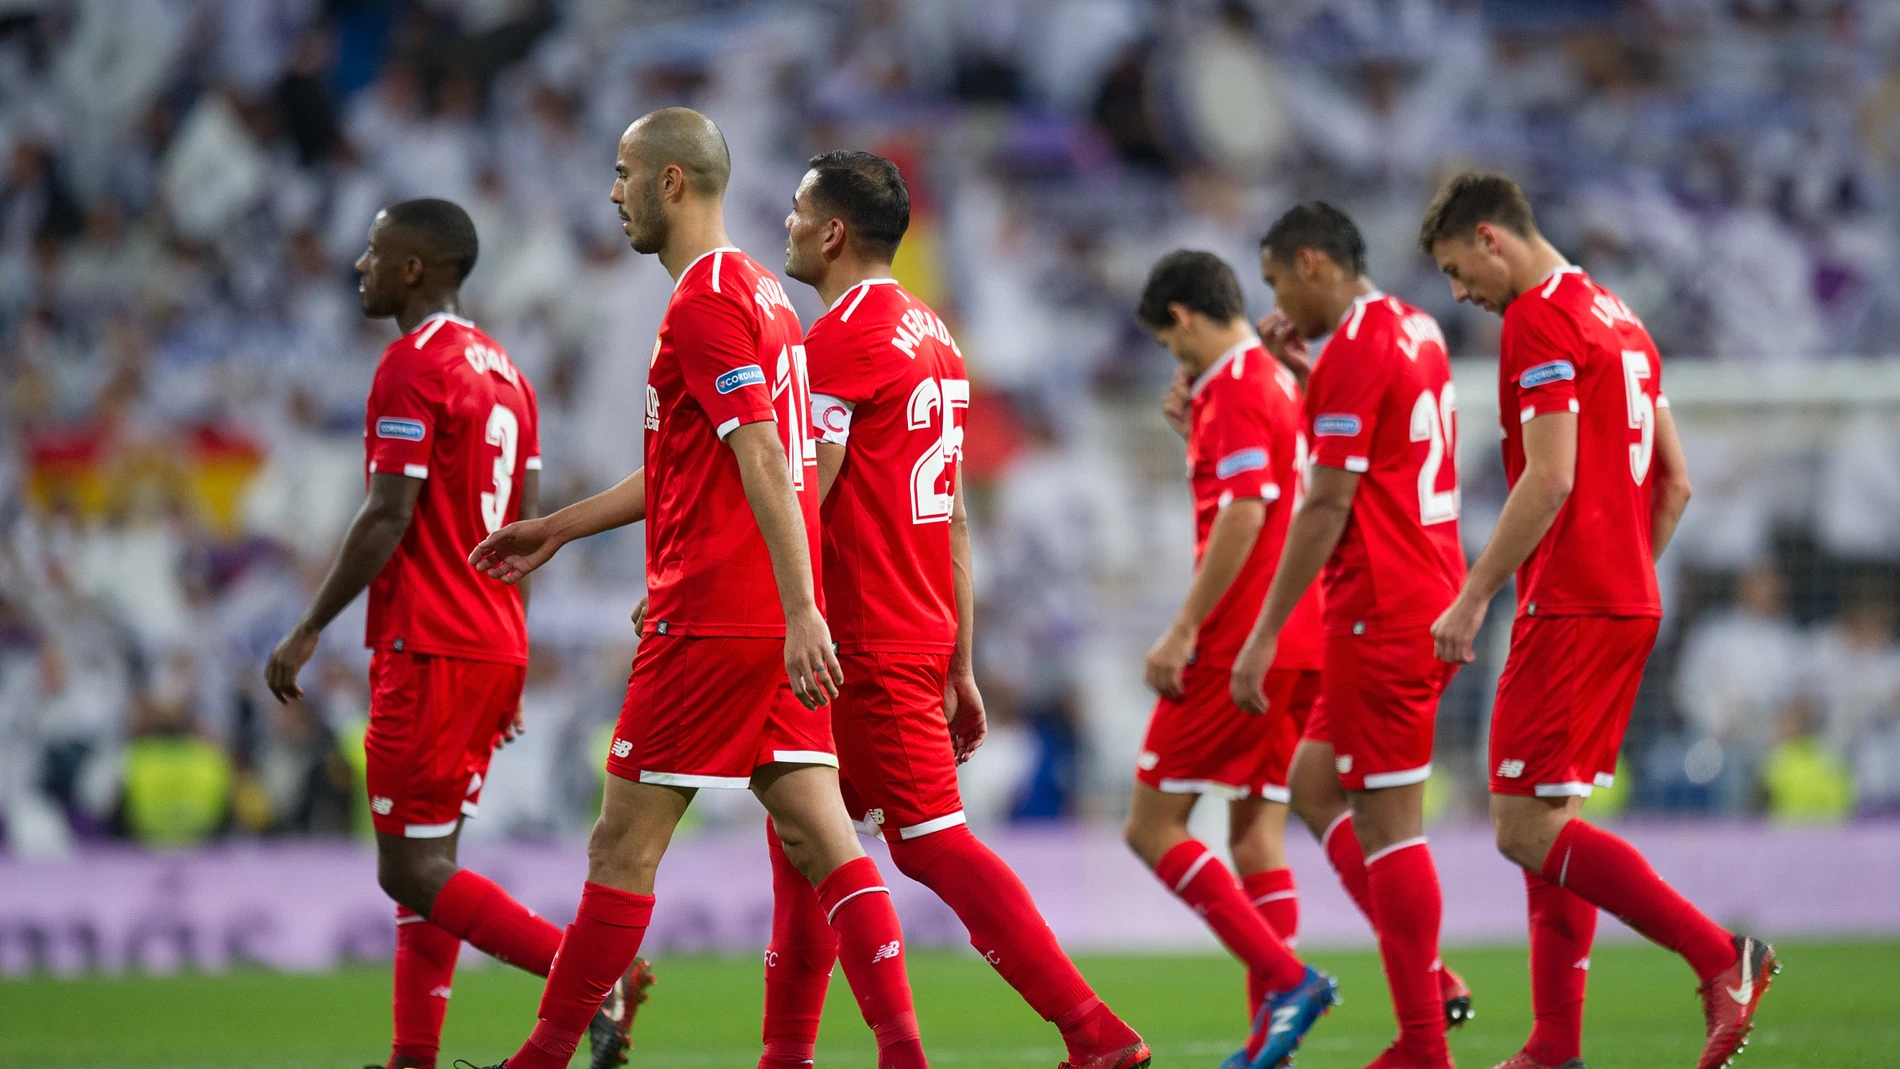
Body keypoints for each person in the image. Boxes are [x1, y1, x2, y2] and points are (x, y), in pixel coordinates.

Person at [464, 109, 927, 1069]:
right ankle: (904, 1054)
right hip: (761, 616)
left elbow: (764, 453)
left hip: (717, 617)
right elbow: (707, 464)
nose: (612, 190)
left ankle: (539, 1059)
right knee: (825, 840)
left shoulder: (704, 303)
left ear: (672, 183)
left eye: (624, 170)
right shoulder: (766, 294)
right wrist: (559, 525)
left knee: (620, 848)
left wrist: (800, 606)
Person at [762, 148, 1149, 1069]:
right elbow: (958, 519)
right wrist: (962, 659)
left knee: (932, 844)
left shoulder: (841, 340)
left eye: (794, 208)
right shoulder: (935, 335)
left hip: (861, 637)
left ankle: (1094, 1030)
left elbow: (808, 494)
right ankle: (785, 1053)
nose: (783, 223)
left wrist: (760, 601)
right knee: (802, 832)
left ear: (833, 230)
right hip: (916, 623)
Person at [263, 198, 649, 1069]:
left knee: (409, 869)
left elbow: (385, 515)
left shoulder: (412, 365)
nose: (359, 264)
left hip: (429, 640)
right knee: (429, 857)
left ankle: (593, 977)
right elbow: (525, 520)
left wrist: (308, 625)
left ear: (413, 269)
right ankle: (412, 1056)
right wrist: (506, 655)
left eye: (374, 251)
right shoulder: (507, 369)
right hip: (486, 640)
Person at [1420, 171, 1776, 1069]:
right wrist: (1624, 575)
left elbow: (1548, 478)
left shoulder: (1540, 317)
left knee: (1520, 828)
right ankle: (1554, 1045)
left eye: (1459, 270)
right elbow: (1677, 479)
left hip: (1571, 600)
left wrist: (1474, 594)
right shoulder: (1619, 315)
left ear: (1491, 238)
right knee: (1552, 820)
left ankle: (1718, 955)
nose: (1461, 292)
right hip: (1627, 597)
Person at [1231, 202, 1465, 1069]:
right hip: (1420, 584)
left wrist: (1262, 634)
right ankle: (1429, 980)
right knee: (1315, 783)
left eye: (1277, 278)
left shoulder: (1358, 351)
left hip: (1384, 605)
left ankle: (1421, 1043)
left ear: (1312, 262)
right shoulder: (1412, 326)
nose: (1279, 299)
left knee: (1391, 823)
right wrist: (1306, 374)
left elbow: (1326, 502)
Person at [1128, 249, 1340, 1069]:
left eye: (1169, 342)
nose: (1174, 362)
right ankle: (1273, 1041)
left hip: (1238, 641)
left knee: (1152, 826)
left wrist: (1183, 628)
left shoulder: (1237, 387)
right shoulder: (1278, 384)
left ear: (1182, 316)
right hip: (1300, 634)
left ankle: (1289, 982)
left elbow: (1245, 514)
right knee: (1256, 834)